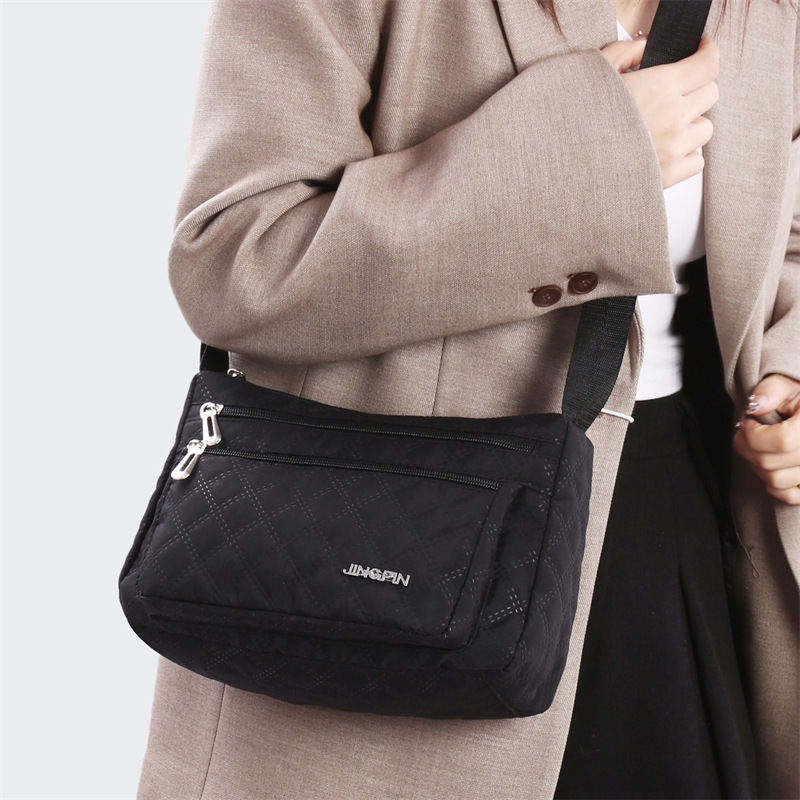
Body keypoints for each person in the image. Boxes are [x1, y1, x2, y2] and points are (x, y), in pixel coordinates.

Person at [134, 0, 800, 797]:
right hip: (396, 553)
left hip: (679, 531)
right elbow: (238, 260)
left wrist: (791, 369)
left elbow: (785, 229)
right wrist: (582, 156)